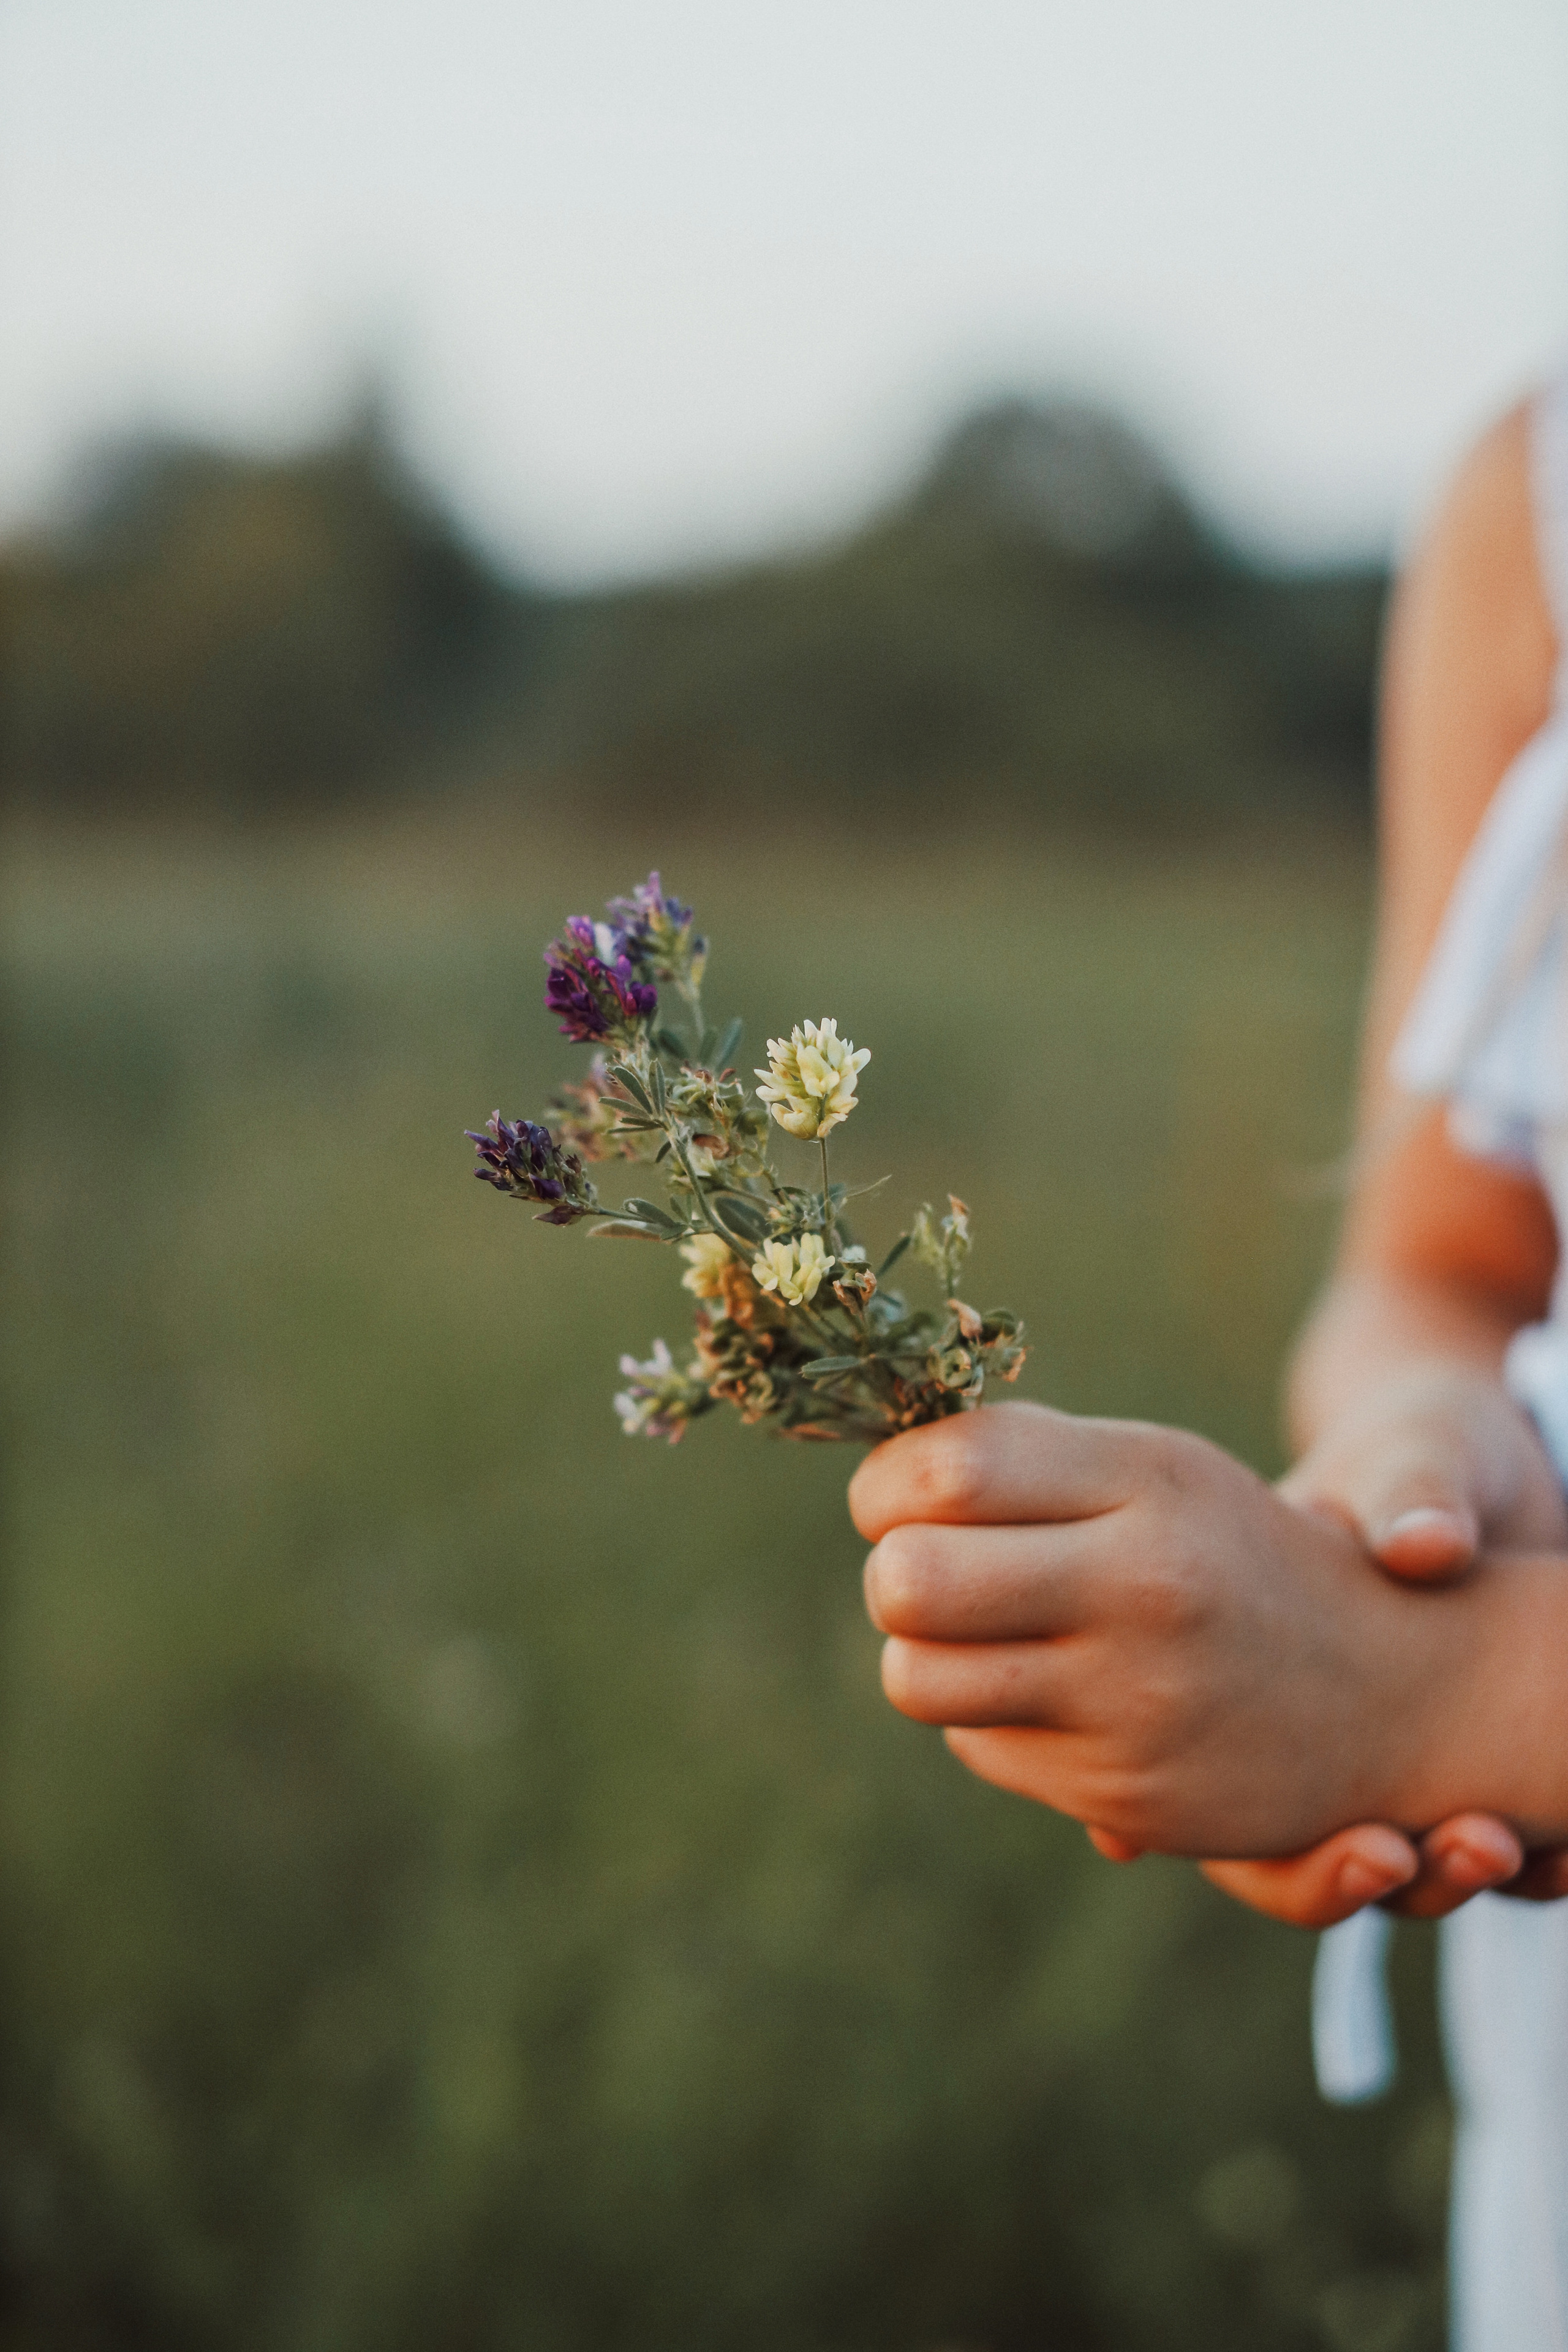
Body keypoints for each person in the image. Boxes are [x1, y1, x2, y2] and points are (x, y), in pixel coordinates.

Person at [850, 372, 1568, 2348]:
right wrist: (1420, 1454)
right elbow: (1440, 1266)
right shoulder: (1535, 510)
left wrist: (1427, 1692)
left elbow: (1428, 1696)